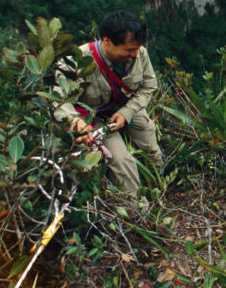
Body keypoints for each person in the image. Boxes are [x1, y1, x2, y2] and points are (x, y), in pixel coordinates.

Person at [53, 10, 164, 198]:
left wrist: (127, 112)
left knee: (149, 141)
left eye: (137, 48)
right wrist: (75, 122)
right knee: (121, 161)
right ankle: (138, 211)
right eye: (129, 50)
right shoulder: (76, 61)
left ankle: (157, 187)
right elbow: (57, 98)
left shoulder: (139, 53)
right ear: (107, 41)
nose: (135, 54)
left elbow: (148, 86)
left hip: (125, 106)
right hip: (92, 117)